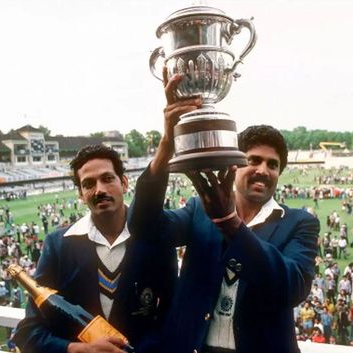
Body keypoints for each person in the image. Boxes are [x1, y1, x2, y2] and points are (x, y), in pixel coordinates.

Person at [129, 73, 320, 353]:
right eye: (253, 160)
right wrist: (167, 144)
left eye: (273, 164)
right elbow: (143, 227)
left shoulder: (299, 223)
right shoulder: (199, 210)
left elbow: (292, 288)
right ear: (235, 162)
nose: (263, 170)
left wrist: (230, 223)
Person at [13, 144, 177, 353]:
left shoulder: (156, 237)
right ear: (81, 195)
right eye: (89, 184)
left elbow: (172, 317)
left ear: (124, 183)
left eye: (108, 179)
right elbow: (28, 332)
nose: (99, 190)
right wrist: (78, 349)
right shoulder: (58, 245)